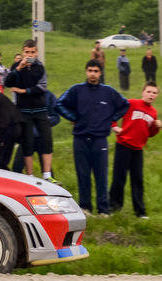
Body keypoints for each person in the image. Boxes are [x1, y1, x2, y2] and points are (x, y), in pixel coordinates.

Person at [54, 59, 130, 216]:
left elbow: (125, 104)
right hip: (80, 139)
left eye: (95, 71)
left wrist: (110, 119)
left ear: (100, 73)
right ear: (86, 71)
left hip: (100, 140)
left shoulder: (108, 91)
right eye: (90, 70)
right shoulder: (76, 90)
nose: (92, 74)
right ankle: (85, 207)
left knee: (101, 175)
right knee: (83, 175)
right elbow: (59, 104)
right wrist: (73, 117)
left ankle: (103, 209)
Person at [4, 39, 57, 182]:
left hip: (40, 108)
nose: (29, 55)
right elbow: (8, 82)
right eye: (27, 52)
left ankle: (47, 175)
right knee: (27, 142)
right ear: (23, 52)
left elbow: (42, 87)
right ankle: (30, 175)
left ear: (37, 52)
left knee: (46, 139)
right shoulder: (16, 66)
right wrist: (19, 69)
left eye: (32, 52)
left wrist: (23, 90)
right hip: (24, 110)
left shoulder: (40, 66)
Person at [109, 82, 162, 218]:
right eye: (149, 91)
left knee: (137, 180)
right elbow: (113, 112)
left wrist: (157, 127)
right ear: (143, 92)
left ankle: (140, 212)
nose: (151, 95)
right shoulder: (131, 103)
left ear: (157, 96)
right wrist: (114, 127)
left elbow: (149, 133)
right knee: (119, 178)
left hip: (138, 150)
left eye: (154, 93)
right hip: (124, 146)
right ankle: (114, 208)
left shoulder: (153, 112)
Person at [12, 91, 61, 174]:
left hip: (42, 138)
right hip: (26, 138)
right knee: (16, 168)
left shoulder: (49, 96)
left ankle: (49, 186)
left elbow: (56, 117)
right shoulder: (21, 95)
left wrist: (43, 122)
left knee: (47, 171)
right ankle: (23, 186)